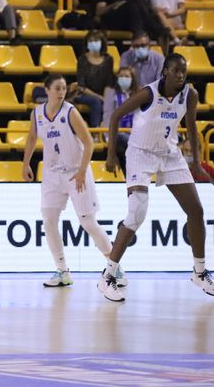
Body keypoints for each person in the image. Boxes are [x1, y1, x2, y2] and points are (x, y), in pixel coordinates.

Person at [101, 53, 214, 301]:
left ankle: (199, 272)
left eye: (183, 71)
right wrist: (111, 154)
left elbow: (191, 127)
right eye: (176, 70)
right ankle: (108, 276)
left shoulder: (190, 95)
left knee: (196, 211)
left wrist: (197, 164)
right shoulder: (148, 93)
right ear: (165, 70)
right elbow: (114, 117)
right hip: (140, 153)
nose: (180, 75)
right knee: (136, 213)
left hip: (169, 154)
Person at [23, 73, 124, 289]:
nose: (61, 92)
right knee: (49, 221)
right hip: (52, 175)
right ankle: (62, 271)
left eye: (63, 88)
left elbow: (89, 144)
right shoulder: (37, 113)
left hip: (76, 173)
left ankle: (114, 266)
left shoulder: (71, 112)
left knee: (88, 222)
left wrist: (81, 172)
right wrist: (26, 164)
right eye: (57, 88)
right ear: (47, 90)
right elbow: (32, 138)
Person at [70, 29, 114, 128]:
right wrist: (100, 97)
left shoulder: (108, 59)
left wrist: (106, 98)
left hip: (102, 93)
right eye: (91, 41)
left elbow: (109, 82)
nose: (94, 43)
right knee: (96, 101)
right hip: (83, 94)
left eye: (96, 40)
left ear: (102, 42)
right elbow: (81, 86)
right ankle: (96, 130)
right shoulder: (82, 59)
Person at [102, 66, 137, 174]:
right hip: (116, 134)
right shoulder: (111, 93)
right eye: (121, 76)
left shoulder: (138, 94)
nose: (123, 78)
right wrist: (108, 137)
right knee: (125, 140)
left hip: (134, 134)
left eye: (126, 76)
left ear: (132, 79)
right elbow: (108, 115)